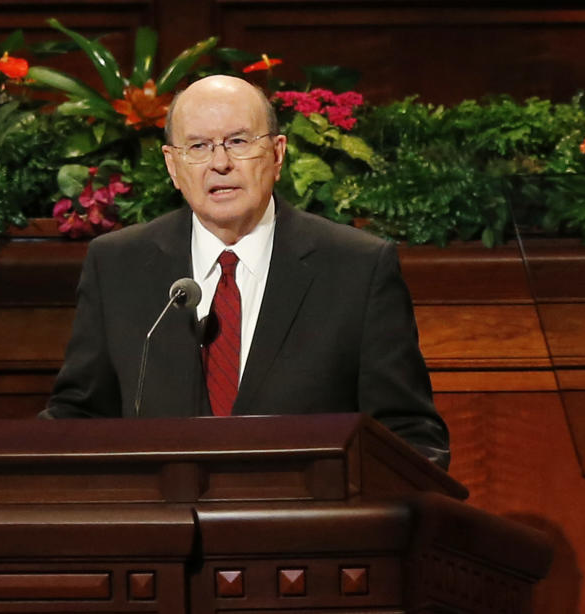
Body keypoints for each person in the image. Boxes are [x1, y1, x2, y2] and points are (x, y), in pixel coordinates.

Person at [41, 75, 450, 470]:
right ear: (172, 165)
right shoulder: (119, 266)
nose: (220, 163)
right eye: (198, 146)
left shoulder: (356, 267)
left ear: (276, 153)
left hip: (306, 531)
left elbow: (408, 436)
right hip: (160, 528)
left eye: (238, 142)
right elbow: (79, 418)